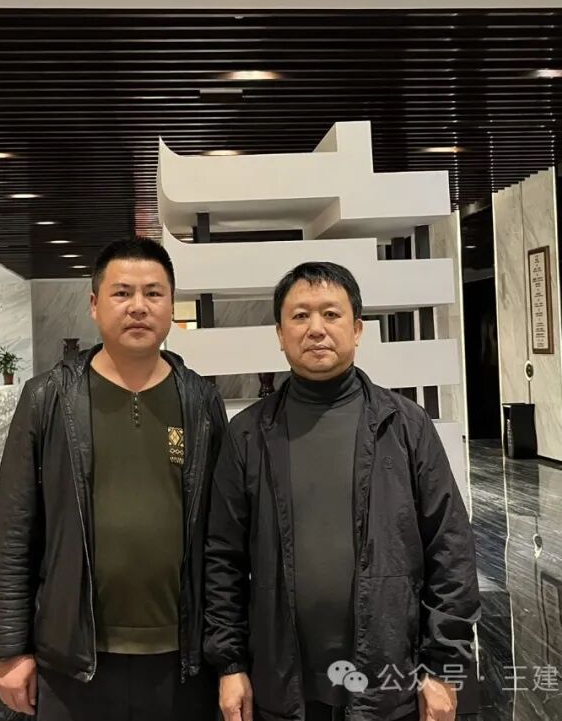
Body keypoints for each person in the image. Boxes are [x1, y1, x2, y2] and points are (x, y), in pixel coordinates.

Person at [204, 261, 480, 721]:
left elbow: (450, 547)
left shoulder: (404, 425)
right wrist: (229, 664)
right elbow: (222, 559)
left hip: (389, 678)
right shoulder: (248, 434)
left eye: (331, 314)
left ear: (357, 329)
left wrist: (443, 665)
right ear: (280, 333)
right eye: (300, 316)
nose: (316, 328)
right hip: (282, 682)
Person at [0, 237, 229, 721]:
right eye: (122, 293)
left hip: (182, 658)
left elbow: (222, 537)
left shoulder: (201, 401)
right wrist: (12, 648)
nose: (138, 306)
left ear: (171, 306)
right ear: (95, 304)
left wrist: (229, 656)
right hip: (73, 658)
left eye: (153, 293)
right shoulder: (48, 398)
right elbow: (14, 531)